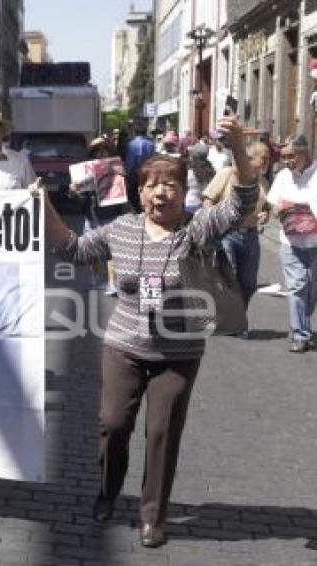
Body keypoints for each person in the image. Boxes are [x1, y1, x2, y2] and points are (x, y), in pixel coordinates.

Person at [36, 116, 258, 548]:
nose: (162, 192)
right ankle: (107, 491)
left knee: (162, 434)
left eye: (171, 184)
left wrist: (238, 152)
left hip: (179, 354)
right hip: (124, 348)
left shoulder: (196, 231)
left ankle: (152, 517)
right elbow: (72, 248)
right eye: (152, 184)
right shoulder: (122, 229)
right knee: (113, 425)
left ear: (181, 191)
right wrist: (42, 202)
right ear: (139, 192)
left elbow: (242, 201)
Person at [202, 141, 271, 320]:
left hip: (251, 235)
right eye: (262, 158)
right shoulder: (228, 174)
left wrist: (265, 215)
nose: (266, 162)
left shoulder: (263, 182)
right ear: (248, 159)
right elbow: (208, 198)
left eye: (268, 158)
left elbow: (266, 207)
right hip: (227, 233)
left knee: (248, 284)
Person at [265, 135, 317, 353]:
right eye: (283, 156)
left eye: (291, 156)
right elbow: (272, 203)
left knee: (311, 290)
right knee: (297, 287)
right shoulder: (283, 176)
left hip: (315, 243)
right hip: (290, 242)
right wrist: (276, 210)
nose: (286, 161)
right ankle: (300, 334)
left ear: (304, 153)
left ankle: (303, 327)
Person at [71, 137, 125, 295]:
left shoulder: (116, 167)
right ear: (92, 154)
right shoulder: (85, 170)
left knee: (111, 250)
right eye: (97, 151)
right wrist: (74, 191)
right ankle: (95, 277)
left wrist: (123, 178)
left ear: (109, 152)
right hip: (92, 214)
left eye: (104, 150)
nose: (101, 153)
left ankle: (112, 283)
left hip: (112, 214)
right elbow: (79, 198)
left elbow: (125, 190)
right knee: (92, 249)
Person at [125, 120, 155, 212]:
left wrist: (128, 174)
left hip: (135, 174)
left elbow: (130, 162)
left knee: (134, 197)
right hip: (148, 173)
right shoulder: (151, 144)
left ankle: (137, 212)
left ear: (135, 132)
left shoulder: (131, 144)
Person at [184, 142, 215, 214]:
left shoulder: (189, 170)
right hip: (203, 206)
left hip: (188, 206)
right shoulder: (210, 169)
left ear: (193, 155)